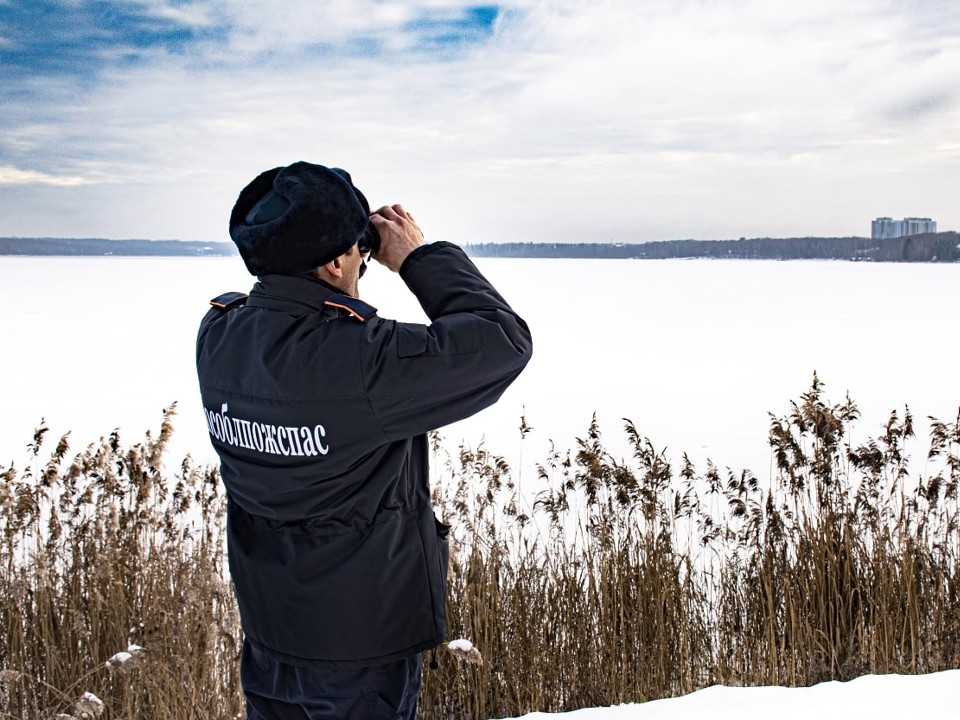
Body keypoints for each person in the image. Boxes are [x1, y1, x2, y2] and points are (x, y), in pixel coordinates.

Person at [195, 161, 533, 719]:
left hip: (269, 632)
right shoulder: (361, 361)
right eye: (359, 255)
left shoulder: (220, 333)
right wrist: (417, 258)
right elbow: (500, 342)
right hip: (358, 646)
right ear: (333, 262)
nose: (362, 264)